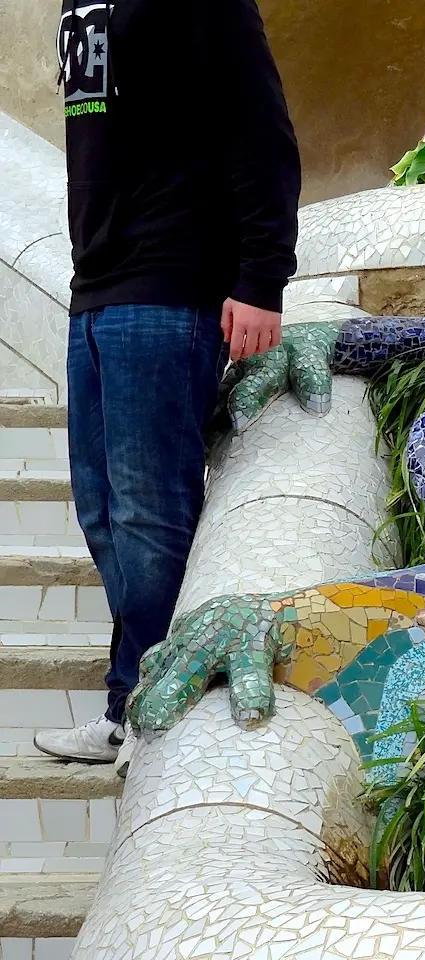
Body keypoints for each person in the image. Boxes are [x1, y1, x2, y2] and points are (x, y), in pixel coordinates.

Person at [34, 0, 301, 776]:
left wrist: (261, 280)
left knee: (152, 515)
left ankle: (162, 723)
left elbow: (262, 129)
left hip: (173, 282)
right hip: (97, 286)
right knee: (103, 510)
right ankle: (130, 704)